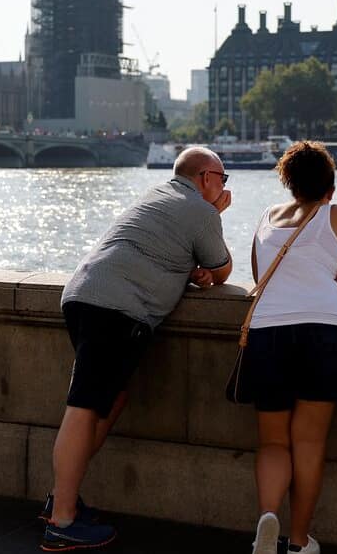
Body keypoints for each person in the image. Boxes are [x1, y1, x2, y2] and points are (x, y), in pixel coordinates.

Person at [41, 146, 234, 551]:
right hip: (116, 308)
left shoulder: (155, 195)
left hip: (84, 294)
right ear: (204, 178)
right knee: (85, 406)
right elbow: (222, 268)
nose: (223, 185)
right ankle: (61, 520)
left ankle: (63, 495)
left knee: (110, 399)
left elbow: (170, 252)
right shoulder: (200, 209)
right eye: (222, 177)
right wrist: (216, 214)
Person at [246, 141, 337, 554]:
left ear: (289, 182)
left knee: (274, 442)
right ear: (329, 185)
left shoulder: (266, 218)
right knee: (309, 442)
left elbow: (260, 276)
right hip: (324, 330)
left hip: (267, 333)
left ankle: (266, 516)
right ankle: (298, 542)